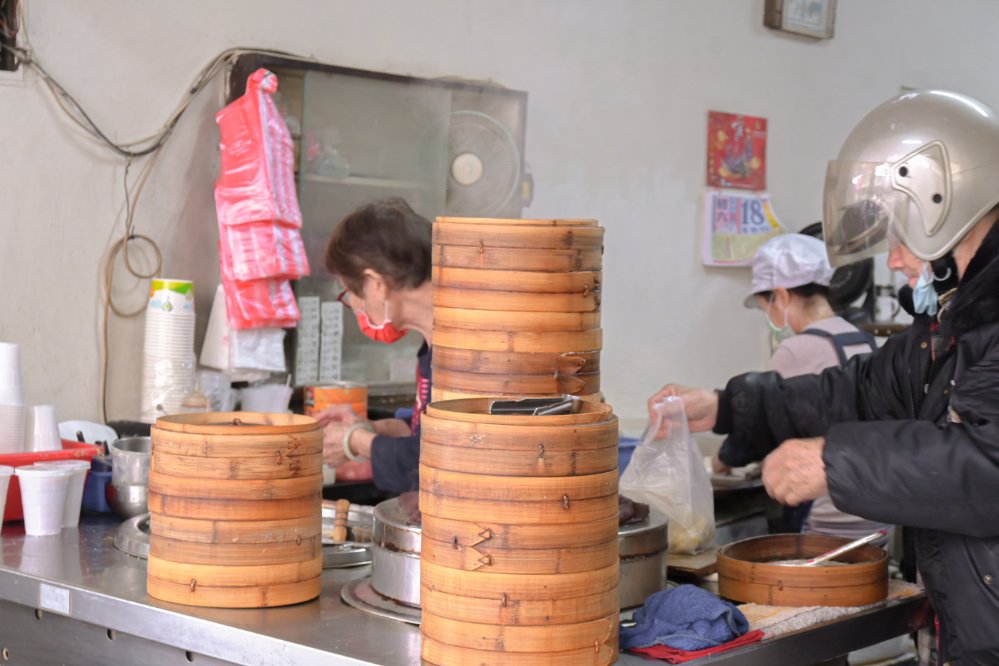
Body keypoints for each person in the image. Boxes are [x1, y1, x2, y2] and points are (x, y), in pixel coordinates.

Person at [650, 89, 999, 664]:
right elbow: (858, 390)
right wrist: (730, 406)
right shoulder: (955, 325)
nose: (894, 262)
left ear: (941, 206)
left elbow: (987, 465)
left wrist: (832, 461)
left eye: (900, 237)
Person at [717, 232, 885, 539]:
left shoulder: (795, 350)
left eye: (764, 306)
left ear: (781, 296)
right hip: (876, 517)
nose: (768, 316)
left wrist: (718, 463)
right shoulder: (863, 338)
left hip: (824, 519)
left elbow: (758, 428)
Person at [317, 198, 433, 494]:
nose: (355, 306)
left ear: (375, 284)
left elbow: (443, 466)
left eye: (349, 294)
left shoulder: (468, 351)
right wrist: (376, 429)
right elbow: (432, 436)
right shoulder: (432, 345)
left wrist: (355, 441)